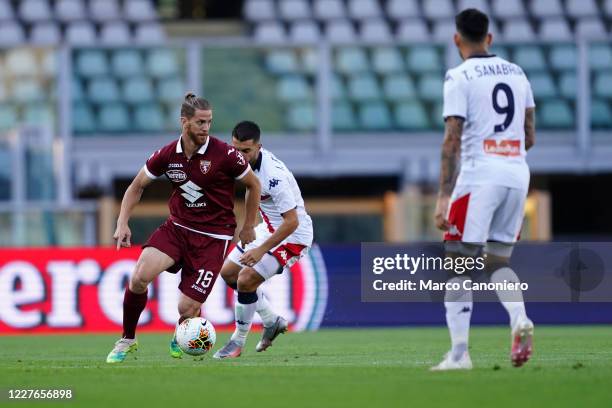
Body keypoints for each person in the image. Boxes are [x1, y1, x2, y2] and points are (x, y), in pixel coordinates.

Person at [106, 93, 261, 363]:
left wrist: (248, 226)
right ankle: (127, 339)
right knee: (139, 277)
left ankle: (183, 331)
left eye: (209, 122)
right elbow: (136, 186)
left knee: (186, 307)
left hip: (214, 238)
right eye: (200, 122)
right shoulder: (167, 154)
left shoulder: (224, 154)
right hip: (178, 228)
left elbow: (253, 185)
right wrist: (122, 222)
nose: (206, 128)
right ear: (184, 122)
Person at [431, 9, 536, 371]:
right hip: (517, 173)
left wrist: (444, 195)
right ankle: (519, 318)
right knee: (497, 261)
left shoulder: (459, 76)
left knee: (457, 265)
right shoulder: (517, 73)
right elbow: (530, 133)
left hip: (479, 176)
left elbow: (451, 140)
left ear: (456, 39)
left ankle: (460, 354)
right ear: (489, 38)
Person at [212, 121, 314, 359]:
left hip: (293, 236)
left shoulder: (274, 176)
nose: (240, 156)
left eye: (246, 151)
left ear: (259, 147)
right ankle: (271, 320)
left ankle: (236, 342)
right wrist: (248, 226)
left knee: (246, 279)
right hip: (268, 229)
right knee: (228, 273)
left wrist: (260, 251)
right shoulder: (243, 163)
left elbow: (291, 222)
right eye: (235, 149)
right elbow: (251, 189)